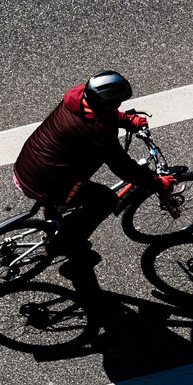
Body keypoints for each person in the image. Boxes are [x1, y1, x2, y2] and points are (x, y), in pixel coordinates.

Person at [12, 71, 176, 262]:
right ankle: (63, 244)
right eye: (117, 103)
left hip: (29, 164)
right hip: (43, 181)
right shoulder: (98, 131)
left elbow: (101, 114)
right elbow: (122, 167)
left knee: (71, 180)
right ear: (107, 104)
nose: (119, 106)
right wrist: (156, 183)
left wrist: (126, 120)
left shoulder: (77, 97)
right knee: (105, 200)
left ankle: (54, 211)